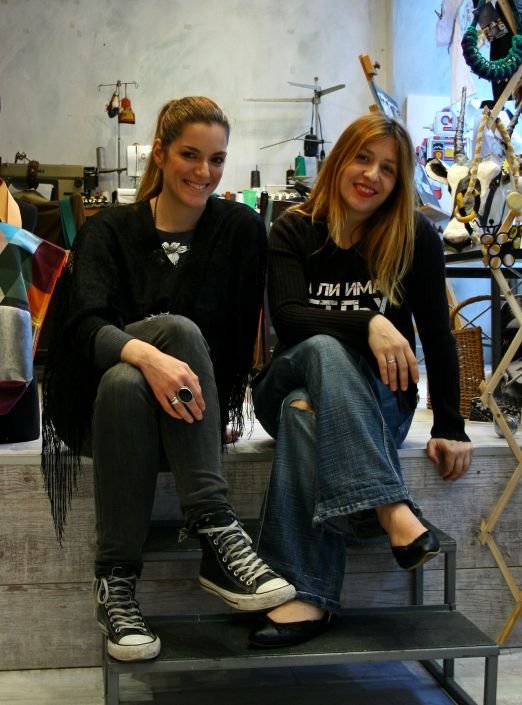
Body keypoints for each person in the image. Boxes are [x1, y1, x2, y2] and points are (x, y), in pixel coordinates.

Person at [40, 96, 295, 662]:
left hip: (190, 419)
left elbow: (236, 342)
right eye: (189, 155)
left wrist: (213, 410)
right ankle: (215, 527)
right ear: (159, 152)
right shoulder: (108, 231)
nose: (204, 172)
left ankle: (115, 585)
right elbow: (81, 328)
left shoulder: (239, 230)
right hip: (105, 423)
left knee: (130, 375)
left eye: (217, 159)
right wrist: (147, 356)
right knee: (140, 365)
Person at [249, 111, 473, 648]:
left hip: (378, 402)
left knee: (305, 414)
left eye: (388, 169)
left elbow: (438, 335)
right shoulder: (293, 229)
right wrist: (369, 322)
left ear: (399, 181)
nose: (372, 175)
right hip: (286, 376)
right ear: (339, 161)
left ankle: (305, 596)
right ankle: (389, 506)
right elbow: (290, 319)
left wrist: (451, 424)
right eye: (363, 158)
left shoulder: (414, 237)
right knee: (322, 349)